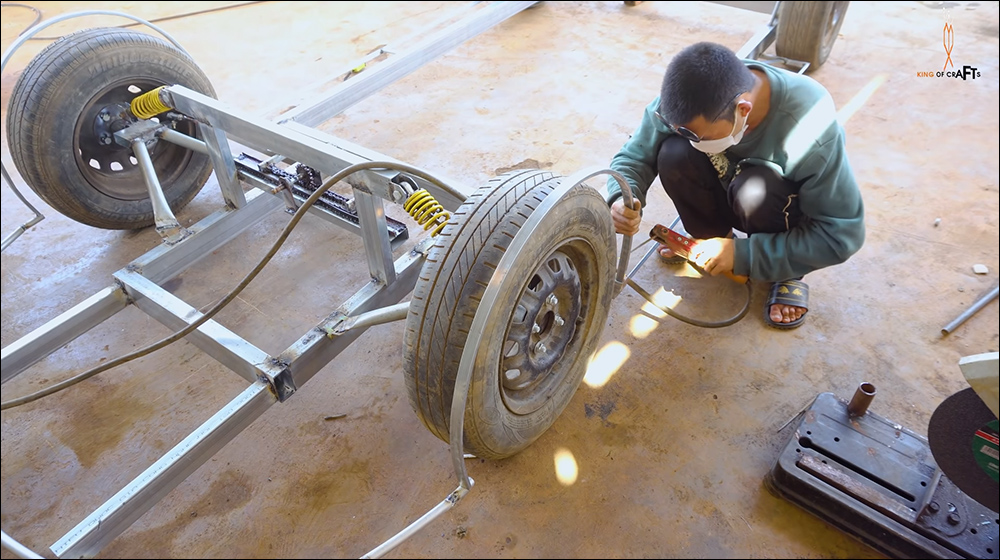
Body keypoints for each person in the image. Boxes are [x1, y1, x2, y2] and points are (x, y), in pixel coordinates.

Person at [606, 41, 865, 329]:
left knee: (755, 187)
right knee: (674, 153)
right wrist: (621, 197)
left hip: (777, 208)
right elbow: (635, 154)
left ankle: (787, 271)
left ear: (744, 109)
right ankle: (712, 241)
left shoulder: (808, 128)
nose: (696, 142)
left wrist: (745, 255)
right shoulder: (692, 96)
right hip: (731, 191)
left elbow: (841, 235)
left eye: (701, 135)